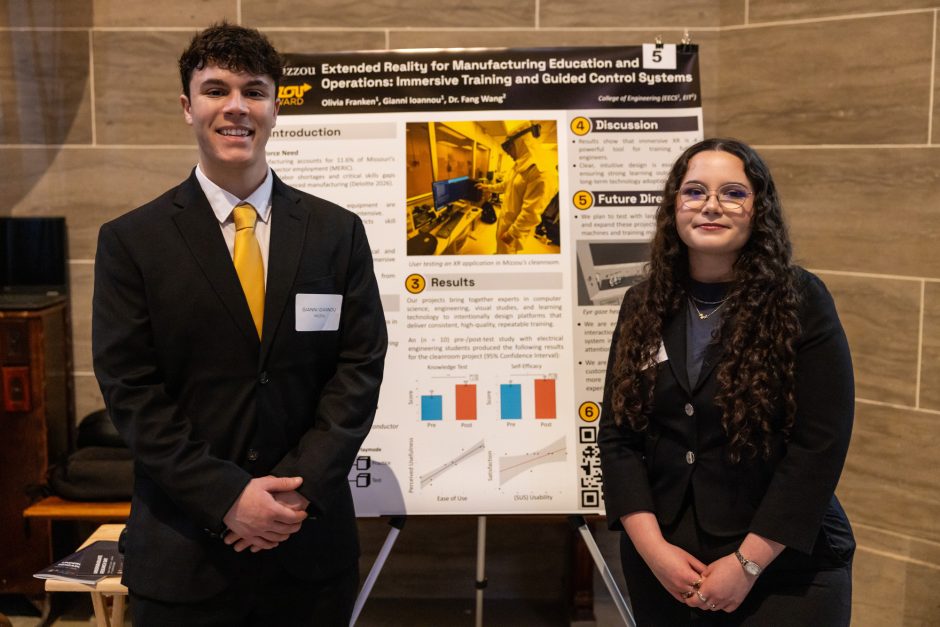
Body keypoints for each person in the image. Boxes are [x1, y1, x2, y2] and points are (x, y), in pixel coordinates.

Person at [92, 23, 387, 626]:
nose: (235, 107)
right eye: (215, 89)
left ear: (276, 105)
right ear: (187, 106)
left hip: (307, 551)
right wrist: (227, 498)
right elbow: (131, 391)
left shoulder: (336, 232)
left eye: (253, 90)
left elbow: (358, 371)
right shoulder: (132, 241)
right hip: (183, 553)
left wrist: (296, 494)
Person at [598, 138, 855, 626]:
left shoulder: (801, 300)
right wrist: (653, 551)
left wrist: (748, 563)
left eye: (733, 192)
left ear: (758, 210)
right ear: (674, 207)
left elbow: (819, 446)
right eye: (694, 191)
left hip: (785, 567)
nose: (711, 205)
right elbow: (617, 437)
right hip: (669, 569)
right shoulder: (642, 304)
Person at [477, 121, 559, 253]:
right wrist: (487, 187)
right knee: (501, 250)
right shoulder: (520, 165)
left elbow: (531, 213)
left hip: (514, 229)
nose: (508, 153)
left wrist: (512, 234)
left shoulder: (541, 171)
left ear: (521, 142)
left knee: (508, 255)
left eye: (509, 147)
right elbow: (506, 185)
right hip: (506, 220)